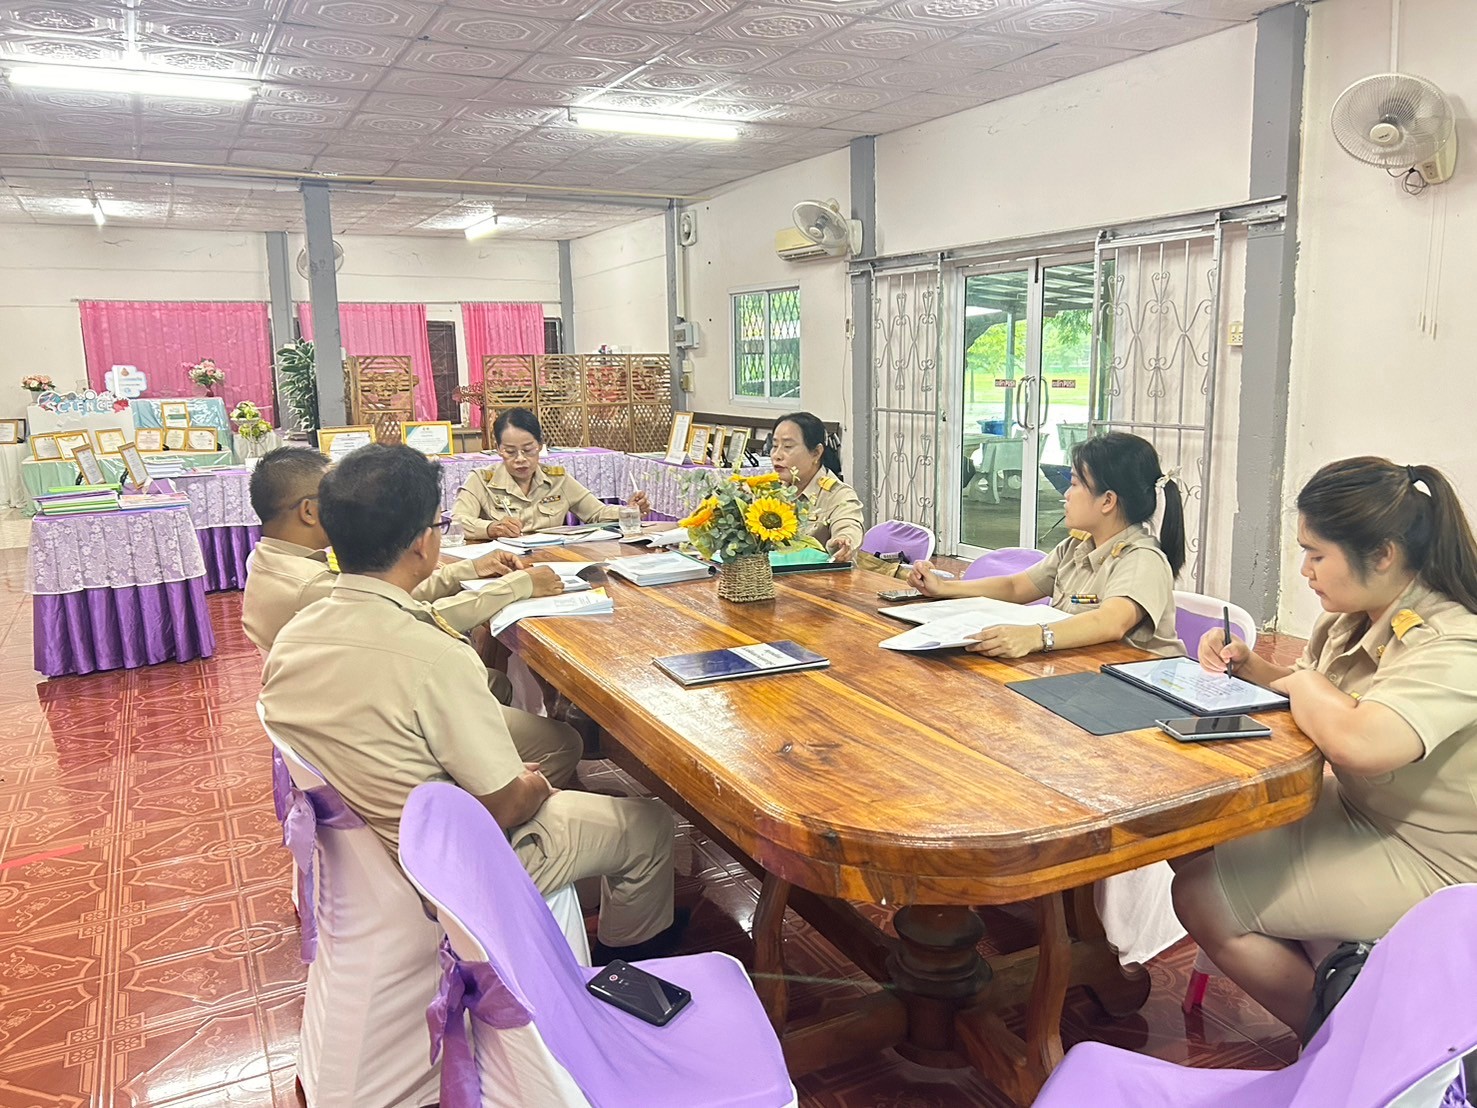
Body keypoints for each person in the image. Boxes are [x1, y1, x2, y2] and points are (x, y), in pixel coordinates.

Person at [260, 444, 682, 962]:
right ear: (424, 543)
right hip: (455, 866)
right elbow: (505, 804)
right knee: (650, 824)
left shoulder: (295, 633)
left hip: (371, 846)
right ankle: (626, 968)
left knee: (553, 764)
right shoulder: (435, 657)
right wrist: (531, 785)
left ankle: (588, 874)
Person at [1172, 457, 1477, 1031]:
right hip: (1364, 810)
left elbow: (1360, 741)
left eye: (1317, 555)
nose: (1305, 571)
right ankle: (1342, 1000)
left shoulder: (1455, 643)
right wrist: (1251, 667)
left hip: (1436, 858)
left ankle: (1347, 1047)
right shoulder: (1350, 618)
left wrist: (1305, 684)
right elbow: (1314, 698)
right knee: (1194, 828)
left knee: (1200, 897)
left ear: (1382, 554)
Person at [242, 446, 579, 779]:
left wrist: (467, 570)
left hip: (345, 695)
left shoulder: (274, 561)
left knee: (495, 682)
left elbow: (386, 594)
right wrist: (516, 586)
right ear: (309, 511)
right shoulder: (310, 586)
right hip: (374, 712)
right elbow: (420, 617)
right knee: (560, 742)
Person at [908, 431, 1185, 659]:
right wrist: (944, 588)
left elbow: (1110, 622)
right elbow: (1016, 587)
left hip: (1134, 691)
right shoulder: (1076, 548)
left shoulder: (1141, 559)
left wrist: (1035, 636)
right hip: (1079, 673)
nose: (1066, 495)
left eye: (1074, 484)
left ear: (1108, 501)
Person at [453, 407, 651, 540]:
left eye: (528, 449)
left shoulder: (557, 479)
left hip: (552, 560)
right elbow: (458, 521)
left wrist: (629, 510)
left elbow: (596, 513)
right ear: (498, 449)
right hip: (504, 563)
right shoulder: (481, 480)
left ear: (540, 445)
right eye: (510, 451)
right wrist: (490, 528)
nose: (520, 459)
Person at [770, 411, 864, 562]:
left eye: (788, 446)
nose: (777, 455)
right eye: (774, 446)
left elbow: (848, 526)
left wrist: (843, 541)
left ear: (816, 453)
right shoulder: (770, 490)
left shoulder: (838, 495)